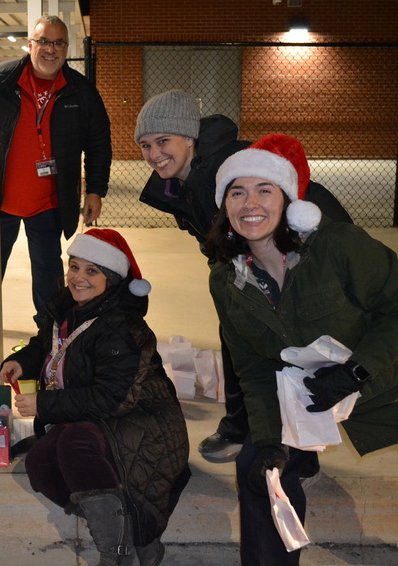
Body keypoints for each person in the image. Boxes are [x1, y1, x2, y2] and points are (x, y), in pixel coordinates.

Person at [206, 134, 398, 566]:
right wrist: (270, 441)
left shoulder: (338, 245)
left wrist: (356, 373)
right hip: (312, 394)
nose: (250, 203)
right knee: (260, 472)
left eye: (263, 190)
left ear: (289, 201)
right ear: (225, 207)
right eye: (237, 192)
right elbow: (252, 368)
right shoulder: (227, 281)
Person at [134, 90, 352, 464]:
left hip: (301, 260)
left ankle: (297, 455)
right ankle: (242, 428)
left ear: (189, 138)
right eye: (145, 145)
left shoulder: (226, 170)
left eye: (163, 141)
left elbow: (289, 214)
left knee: (282, 350)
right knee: (239, 340)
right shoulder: (183, 183)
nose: (154, 154)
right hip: (250, 263)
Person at [1, 228, 191, 566]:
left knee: (75, 444)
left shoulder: (120, 327)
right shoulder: (66, 308)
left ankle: (116, 553)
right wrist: (22, 361)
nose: (78, 278)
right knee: (40, 465)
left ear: (113, 279)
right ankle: (127, 533)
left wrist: (44, 405)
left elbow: (113, 397)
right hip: (92, 412)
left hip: (141, 418)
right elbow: (47, 344)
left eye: (92, 271)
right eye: (74, 267)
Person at [0, 15, 112, 340]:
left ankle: (48, 327)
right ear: (30, 44)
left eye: (58, 42)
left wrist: (95, 190)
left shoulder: (81, 92)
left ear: (66, 48)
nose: (50, 49)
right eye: (43, 41)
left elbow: (99, 143)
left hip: (47, 201)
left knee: (48, 270)